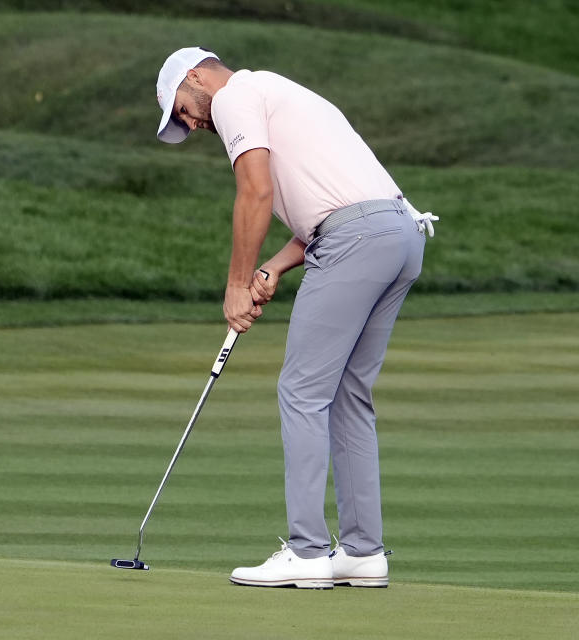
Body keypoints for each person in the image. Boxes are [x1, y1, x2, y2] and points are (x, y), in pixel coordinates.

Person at [155, 47, 436, 589]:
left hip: (356, 239)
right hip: (398, 234)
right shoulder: (279, 92)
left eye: (182, 110)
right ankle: (361, 552)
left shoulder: (234, 96)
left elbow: (255, 191)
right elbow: (334, 203)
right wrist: (274, 268)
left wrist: (236, 285)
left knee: (303, 392)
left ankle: (307, 552)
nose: (190, 124)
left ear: (196, 77)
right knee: (349, 394)